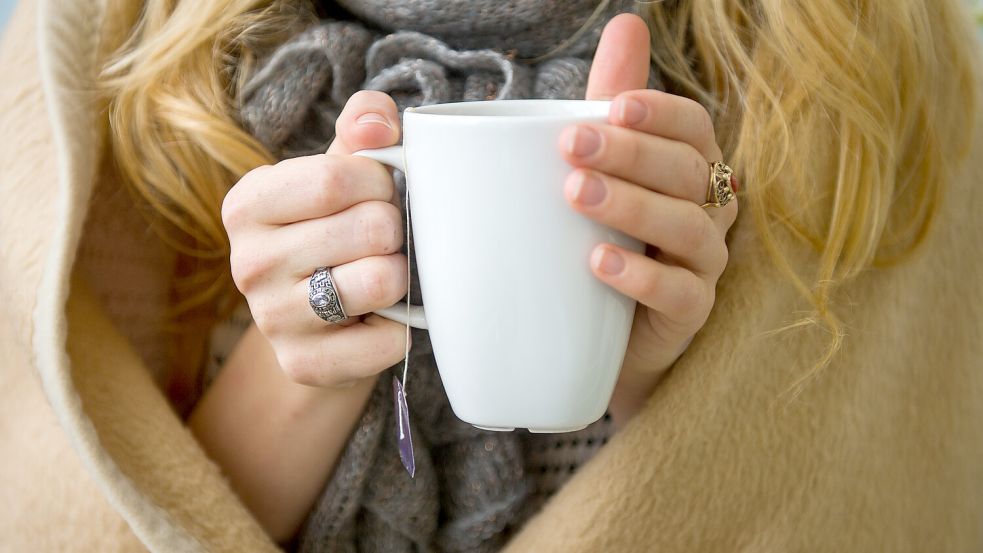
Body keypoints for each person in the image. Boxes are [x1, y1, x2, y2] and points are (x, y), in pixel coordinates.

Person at [1, 0, 982, 552]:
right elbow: (93, 520)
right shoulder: (109, 54)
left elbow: (871, 498)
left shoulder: (864, 64)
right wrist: (317, 342)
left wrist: (666, 377)